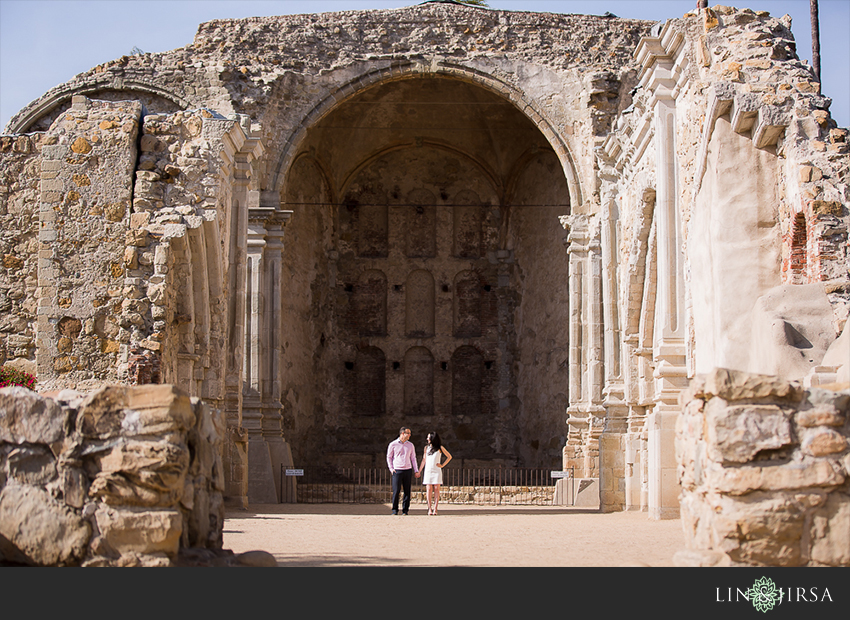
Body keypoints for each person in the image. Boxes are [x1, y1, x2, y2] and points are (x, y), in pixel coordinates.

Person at [386, 427, 420, 515]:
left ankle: (405, 510)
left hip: (407, 469)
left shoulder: (410, 445)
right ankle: (395, 509)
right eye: (408, 433)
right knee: (396, 490)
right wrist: (391, 468)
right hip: (397, 470)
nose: (409, 435)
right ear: (402, 433)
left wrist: (416, 470)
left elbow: (413, 458)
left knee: (407, 491)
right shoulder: (393, 444)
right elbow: (389, 457)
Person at [419, 431, 452, 516]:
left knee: (437, 489)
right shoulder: (426, 448)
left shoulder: (440, 448)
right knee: (429, 489)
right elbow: (424, 460)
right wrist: (419, 470)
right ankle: (429, 508)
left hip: (436, 470)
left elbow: (449, 456)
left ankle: (435, 508)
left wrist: (442, 465)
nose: (427, 439)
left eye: (429, 437)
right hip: (428, 470)